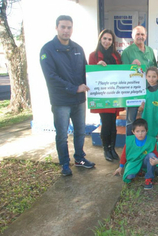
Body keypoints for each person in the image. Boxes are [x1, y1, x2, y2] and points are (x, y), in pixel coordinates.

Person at [40, 15, 95, 176]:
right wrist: (74, 88)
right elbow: (51, 77)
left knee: (80, 131)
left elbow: (86, 71)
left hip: (78, 100)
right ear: (56, 27)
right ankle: (65, 163)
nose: (66, 30)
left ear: (72, 29)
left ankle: (79, 158)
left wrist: (97, 71)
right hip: (61, 101)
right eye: (63, 27)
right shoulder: (47, 50)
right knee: (62, 134)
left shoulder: (78, 48)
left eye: (69, 27)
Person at [88, 29, 124, 162]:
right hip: (102, 96)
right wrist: (97, 67)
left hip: (114, 94)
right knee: (106, 123)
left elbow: (120, 72)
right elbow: (90, 74)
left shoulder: (116, 55)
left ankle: (112, 148)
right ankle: (106, 149)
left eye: (109, 39)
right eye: (105, 38)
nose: (107, 41)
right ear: (100, 39)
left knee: (113, 123)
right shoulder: (93, 55)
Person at [121, 26, 157, 136]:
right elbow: (123, 73)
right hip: (133, 92)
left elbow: (154, 69)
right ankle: (131, 146)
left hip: (148, 91)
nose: (140, 37)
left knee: (148, 118)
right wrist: (131, 66)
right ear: (132, 36)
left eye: (142, 34)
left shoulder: (150, 50)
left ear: (146, 36)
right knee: (131, 120)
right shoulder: (127, 52)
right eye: (137, 34)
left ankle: (148, 145)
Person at [113, 118, 158, 190]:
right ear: (133, 132)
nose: (140, 134)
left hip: (146, 161)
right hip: (134, 162)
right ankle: (139, 171)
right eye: (137, 131)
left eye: (143, 131)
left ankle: (149, 179)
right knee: (129, 177)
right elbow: (124, 155)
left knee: (152, 156)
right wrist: (120, 167)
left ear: (146, 131)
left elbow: (157, 154)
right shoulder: (129, 141)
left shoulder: (151, 141)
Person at [138, 67, 158, 138]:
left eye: (154, 76)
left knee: (157, 140)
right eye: (149, 76)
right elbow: (139, 109)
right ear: (145, 77)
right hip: (146, 120)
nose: (151, 79)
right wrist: (140, 109)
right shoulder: (143, 91)